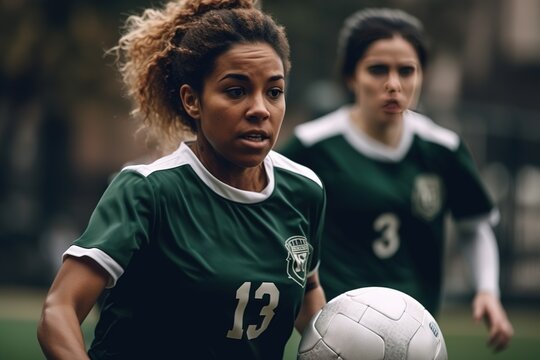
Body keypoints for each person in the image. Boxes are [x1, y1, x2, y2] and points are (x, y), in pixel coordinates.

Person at [37, 1, 327, 358]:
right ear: (193, 100)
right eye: (236, 91)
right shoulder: (148, 190)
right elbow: (59, 309)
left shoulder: (304, 190)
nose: (260, 109)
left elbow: (307, 288)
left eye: (274, 91)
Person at [280, 7, 513, 352]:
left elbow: (474, 226)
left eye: (406, 70)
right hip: (340, 333)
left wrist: (487, 291)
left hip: (417, 331)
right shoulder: (312, 145)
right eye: (377, 69)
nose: (393, 84)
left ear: (422, 76)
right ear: (350, 76)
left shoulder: (442, 149)